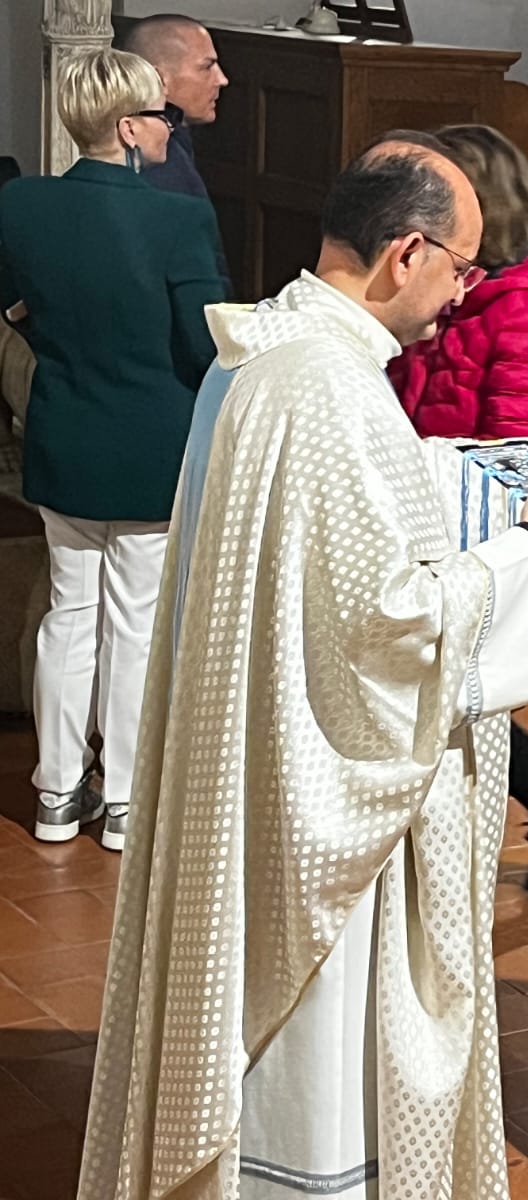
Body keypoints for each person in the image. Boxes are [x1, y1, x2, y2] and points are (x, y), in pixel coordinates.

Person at [77, 136, 528, 1199]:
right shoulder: (331, 389)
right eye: (462, 268)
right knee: (322, 1072)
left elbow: (398, 487)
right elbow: (393, 621)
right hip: (316, 795)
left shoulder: (279, 349)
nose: (462, 294)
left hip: (258, 759)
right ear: (407, 252)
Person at [0, 48, 227, 850]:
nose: (170, 131)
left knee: (69, 615)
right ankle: (126, 799)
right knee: (134, 624)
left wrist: (45, 331)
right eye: (161, 117)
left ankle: (57, 793)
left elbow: (10, 304)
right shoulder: (176, 218)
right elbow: (205, 345)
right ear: (128, 127)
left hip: (64, 434)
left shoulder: (19, 204)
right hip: (150, 443)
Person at [388, 123, 528, 892]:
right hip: (441, 528)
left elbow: (526, 456)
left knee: (460, 695)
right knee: (451, 698)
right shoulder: (472, 296)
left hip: (503, 540)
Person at [117, 13, 228, 201]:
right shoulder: (159, 165)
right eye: (206, 67)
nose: (222, 80)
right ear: (157, 78)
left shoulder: (174, 142)